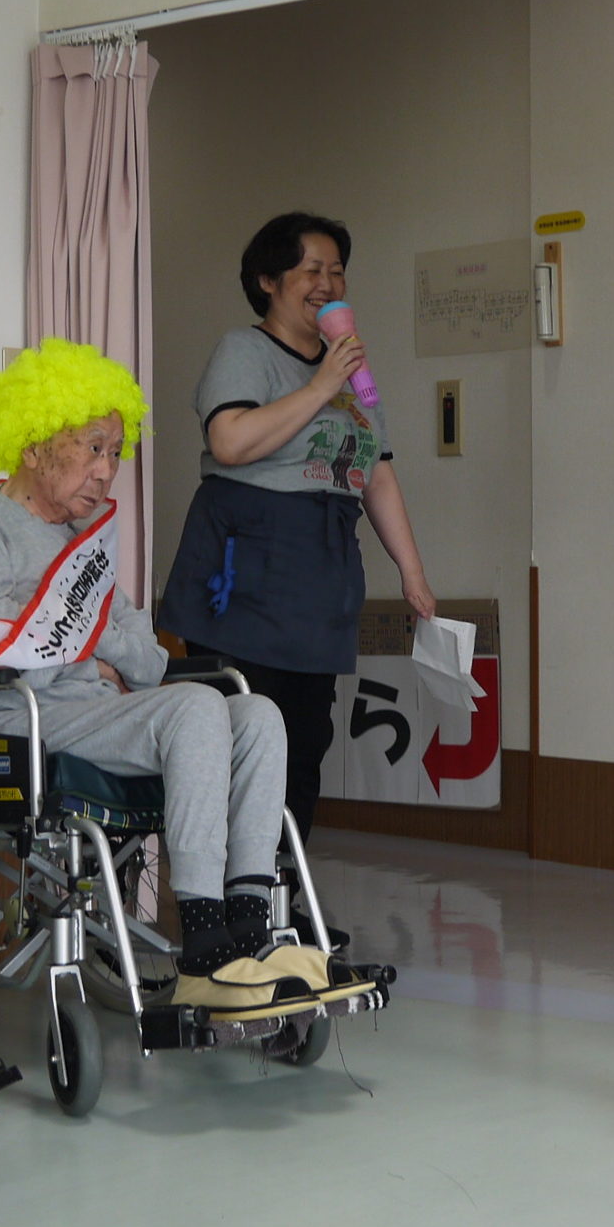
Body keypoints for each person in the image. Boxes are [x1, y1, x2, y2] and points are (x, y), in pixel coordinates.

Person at [0, 340, 356, 1007]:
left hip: (87, 710)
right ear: (34, 444)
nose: (106, 471)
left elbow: (148, 663)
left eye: (115, 453)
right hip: (7, 713)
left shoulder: (82, 541)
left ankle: (250, 922)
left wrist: (91, 644)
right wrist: (92, 649)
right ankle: (204, 942)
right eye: (93, 448)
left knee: (257, 713)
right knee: (194, 706)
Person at [159, 213, 437, 854]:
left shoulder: (353, 371)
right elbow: (230, 442)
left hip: (320, 581)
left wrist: (413, 573)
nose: (327, 283)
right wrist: (321, 385)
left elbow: (377, 472)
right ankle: (225, 893)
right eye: (311, 269)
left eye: (336, 271)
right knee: (241, 738)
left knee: (305, 744)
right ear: (268, 280)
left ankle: (282, 889)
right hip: (246, 576)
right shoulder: (245, 350)